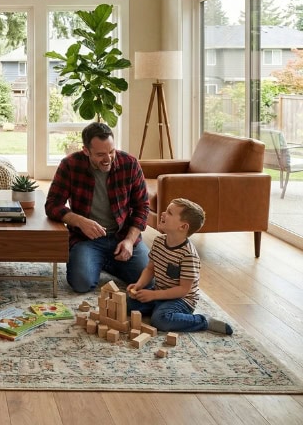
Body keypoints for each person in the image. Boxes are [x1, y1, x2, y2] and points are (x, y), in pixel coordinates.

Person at [45, 122, 149, 293]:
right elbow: (52, 205)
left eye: (111, 151)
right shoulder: (70, 165)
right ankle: (100, 261)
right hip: (86, 240)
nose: (108, 159)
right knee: (81, 284)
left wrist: (130, 241)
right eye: (100, 154)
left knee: (148, 281)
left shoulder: (130, 164)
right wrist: (79, 221)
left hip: (122, 237)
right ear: (86, 151)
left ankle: (104, 262)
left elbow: (142, 207)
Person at [127, 198, 233, 335]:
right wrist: (139, 285)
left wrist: (153, 295)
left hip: (181, 300)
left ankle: (204, 321)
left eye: (170, 213)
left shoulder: (189, 255)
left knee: (160, 320)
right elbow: (150, 269)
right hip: (160, 292)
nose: (163, 214)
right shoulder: (158, 242)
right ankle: (158, 307)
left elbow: (183, 290)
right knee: (128, 304)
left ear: (183, 227)